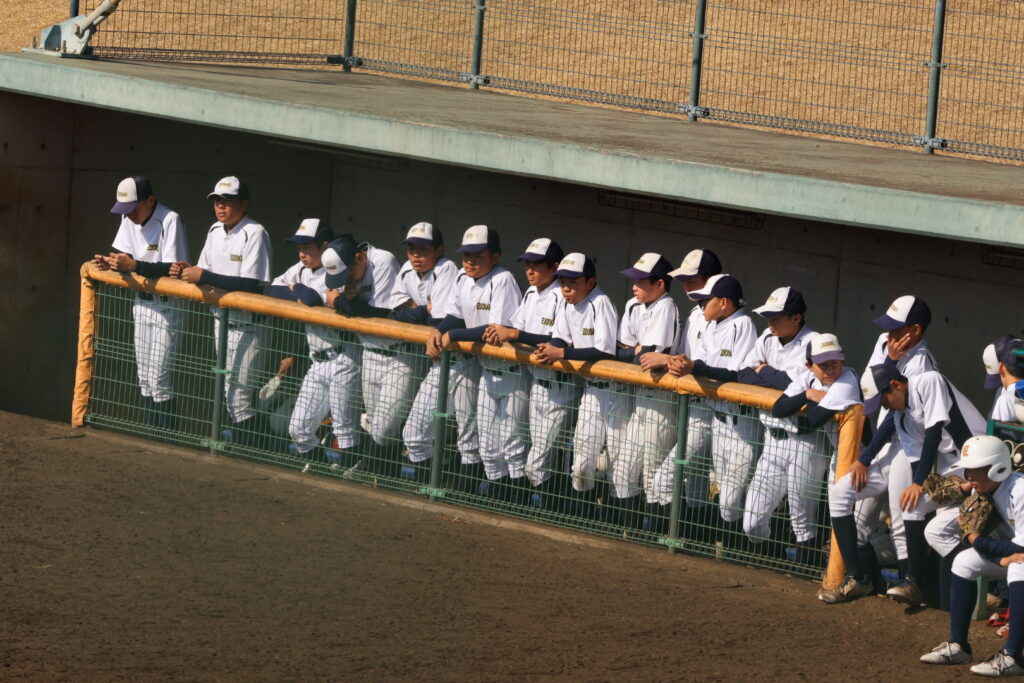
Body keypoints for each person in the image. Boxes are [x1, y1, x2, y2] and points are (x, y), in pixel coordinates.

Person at [823, 363, 987, 604]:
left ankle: (923, 583)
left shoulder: (928, 381)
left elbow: (933, 434)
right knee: (911, 503)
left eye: (884, 400)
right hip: (950, 463)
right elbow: (916, 457)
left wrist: (919, 483)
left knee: (923, 507)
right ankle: (900, 581)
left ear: (896, 385)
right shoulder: (902, 417)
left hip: (978, 458)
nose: (885, 407)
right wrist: (916, 484)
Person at [171, 176, 272, 447]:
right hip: (222, 322)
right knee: (230, 394)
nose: (220, 206)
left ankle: (258, 451)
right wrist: (187, 271)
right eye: (217, 201)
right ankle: (252, 449)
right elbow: (204, 271)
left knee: (238, 397)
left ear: (244, 204)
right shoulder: (215, 229)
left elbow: (251, 284)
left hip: (249, 326)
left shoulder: (255, 232)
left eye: (227, 201)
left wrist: (204, 275)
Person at [919, 435, 1024, 677]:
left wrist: (976, 540)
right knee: (963, 562)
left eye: (976, 469)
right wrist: (997, 558)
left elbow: (1019, 549)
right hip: (1012, 552)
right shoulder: (985, 493)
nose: (969, 476)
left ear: (997, 467)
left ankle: (1013, 656)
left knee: (1019, 565)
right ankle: (958, 646)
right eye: (968, 469)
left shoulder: (1020, 490)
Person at [534, 253, 628, 520]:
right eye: (563, 281)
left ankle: (613, 520)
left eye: (573, 282)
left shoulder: (601, 303)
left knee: (618, 462)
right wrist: (551, 348)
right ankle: (584, 517)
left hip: (617, 391)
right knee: (581, 462)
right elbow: (560, 338)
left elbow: (605, 352)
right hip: (591, 390)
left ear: (590, 282)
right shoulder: (568, 304)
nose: (566, 287)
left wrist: (561, 353)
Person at [431, 226, 524, 496]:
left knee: (512, 445)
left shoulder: (503, 279)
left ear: (495, 256)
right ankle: (495, 500)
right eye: (466, 256)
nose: (470, 262)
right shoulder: (463, 277)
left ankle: (516, 503)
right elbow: (455, 315)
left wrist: (453, 335)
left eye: (478, 256)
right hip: (486, 369)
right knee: (489, 445)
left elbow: (493, 330)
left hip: (513, 371)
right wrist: (438, 330)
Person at [667, 273, 759, 546]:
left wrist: (694, 367)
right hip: (718, 419)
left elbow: (736, 374)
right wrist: (683, 365)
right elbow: (701, 366)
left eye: (706, 300)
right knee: (724, 498)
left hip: (742, 423)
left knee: (730, 498)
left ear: (724, 302)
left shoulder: (742, 324)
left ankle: (743, 550)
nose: (701, 305)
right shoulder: (710, 325)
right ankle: (729, 551)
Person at [93, 175, 189, 432]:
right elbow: (124, 256)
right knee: (145, 378)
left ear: (150, 200)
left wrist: (133, 265)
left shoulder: (170, 219)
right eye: (125, 209)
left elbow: (173, 268)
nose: (129, 214)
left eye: (133, 207)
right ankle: (152, 436)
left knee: (159, 379)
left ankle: (167, 440)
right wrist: (111, 263)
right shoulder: (128, 218)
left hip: (168, 306)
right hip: (142, 303)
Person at [266, 219, 359, 469]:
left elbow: (312, 299)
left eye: (307, 248)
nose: (301, 254)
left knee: (345, 430)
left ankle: (352, 477)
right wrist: (296, 291)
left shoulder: (336, 269)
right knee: (298, 429)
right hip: (316, 360)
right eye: (299, 248)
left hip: (344, 357)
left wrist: (296, 288)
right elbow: (272, 289)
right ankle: (321, 472)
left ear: (325, 247)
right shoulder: (301, 268)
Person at [643, 248, 724, 537]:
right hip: (692, 407)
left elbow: (715, 367)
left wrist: (666, 359)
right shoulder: (695, 313)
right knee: (697, 485)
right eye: (684, 280)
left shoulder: (727, 318)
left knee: (666, 479)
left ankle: (667, 539)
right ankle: (691, 543)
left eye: (693, 279)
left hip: (717, 412)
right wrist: (670, 360)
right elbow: (682, 357)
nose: (686, 285)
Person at [483, 237, 569, 507]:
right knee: (530, 452)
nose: (530, 270)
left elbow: (555, 340)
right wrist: (502, 334)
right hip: (536, 382)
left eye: (537, 265)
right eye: (527, 265)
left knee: (540, 458)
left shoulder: (562, 295)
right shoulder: (531, 292)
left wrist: (514, 335)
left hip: (560, 385)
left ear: (554, 267)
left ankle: (559, 511)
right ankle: (536, 507)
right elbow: (515, 329)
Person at [736, 288, 822, 559]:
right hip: (771, 440)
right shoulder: (767, 337)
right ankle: (776, 560)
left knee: (803, 522)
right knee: (751, 522)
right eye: (768, 316)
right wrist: (771, 376)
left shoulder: (814, 342)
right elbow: (743, 374)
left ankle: (805, 570)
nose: (769, 322)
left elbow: (793, 385)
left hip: (804, 441)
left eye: (776, 317)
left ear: (796, 318)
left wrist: (764, 369)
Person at [324, 235, 412, 475]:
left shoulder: (382, 261)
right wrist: (345, 301)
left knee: (385, 427)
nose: (347, 281)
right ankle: (384, 479)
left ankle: (368, 466)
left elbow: (379, 312)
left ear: (359, 258)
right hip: (369, 353)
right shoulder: (349, 267)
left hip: (398, 354)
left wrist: (340, 302)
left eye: (348, 275)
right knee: (376, 426)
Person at [612, 253, 678, 530]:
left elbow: (649, 356)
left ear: (659, 284)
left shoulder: (666, 307)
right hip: (639, 396)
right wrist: (637, 351)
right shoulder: (633, 305)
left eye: (640, 281)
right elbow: (617, 349)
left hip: (661, 398)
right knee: (622, 470)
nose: (634, 287)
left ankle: (656, 537)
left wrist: (637, 351)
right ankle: (631, 530)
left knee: (653, 473)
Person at [394, 222, 459, 482]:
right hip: (439, 363)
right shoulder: (406, 269)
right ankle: (434, 486)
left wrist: (416, 311)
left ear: (440, 250)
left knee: (478, 442)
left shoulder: (447, 268)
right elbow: (396, 312)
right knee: (414, 435)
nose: (416, 256)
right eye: (412, 249)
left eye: (424, 250)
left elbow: (439, 320)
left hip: (463, 363)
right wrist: (424, 309)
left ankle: (445, 487)